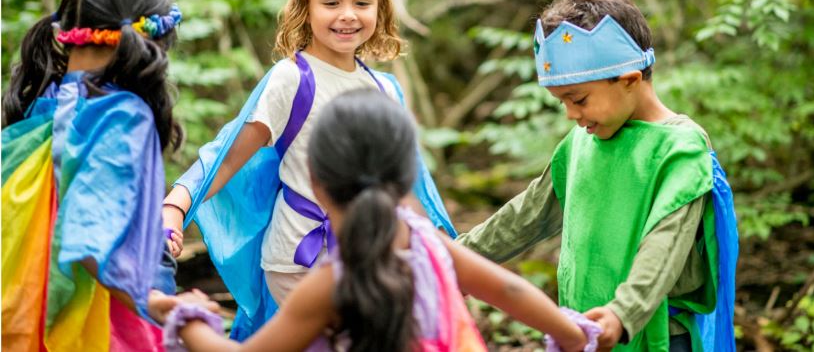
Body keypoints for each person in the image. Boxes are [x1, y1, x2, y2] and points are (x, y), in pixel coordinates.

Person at [161, 0, 456, 340]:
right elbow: (227, 156)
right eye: (331, 2)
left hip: (366, 257)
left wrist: (438, 248)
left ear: (381, 7)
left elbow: (410, 181)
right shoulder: (292, 78)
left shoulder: (385, 89)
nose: (348, 15)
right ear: (305, 6)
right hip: (298, 259)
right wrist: (176, 205)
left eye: (362, 2)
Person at [163, 90, 601, 352]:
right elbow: (509, 289)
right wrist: (574, 334)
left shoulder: (329, 285)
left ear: (315, 180)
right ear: (407, 175)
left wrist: (190, 320)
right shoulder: (426, 243)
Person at [458, 0, 738, 352]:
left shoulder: (681, 150)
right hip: (586, 332)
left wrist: (622, 313)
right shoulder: (579, 143)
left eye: (578, 99)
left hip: (653, 336)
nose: (571, 115)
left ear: (629, 80)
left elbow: (665, 246)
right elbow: (525, 216)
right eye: (562, 102)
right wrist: (451, 256)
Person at [1, 0, 214, 351]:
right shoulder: (123, 115)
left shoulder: (44, 99)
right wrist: (155, 301)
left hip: (39, 314)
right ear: (155, 41)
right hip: (109, 325)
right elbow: (87, 236)